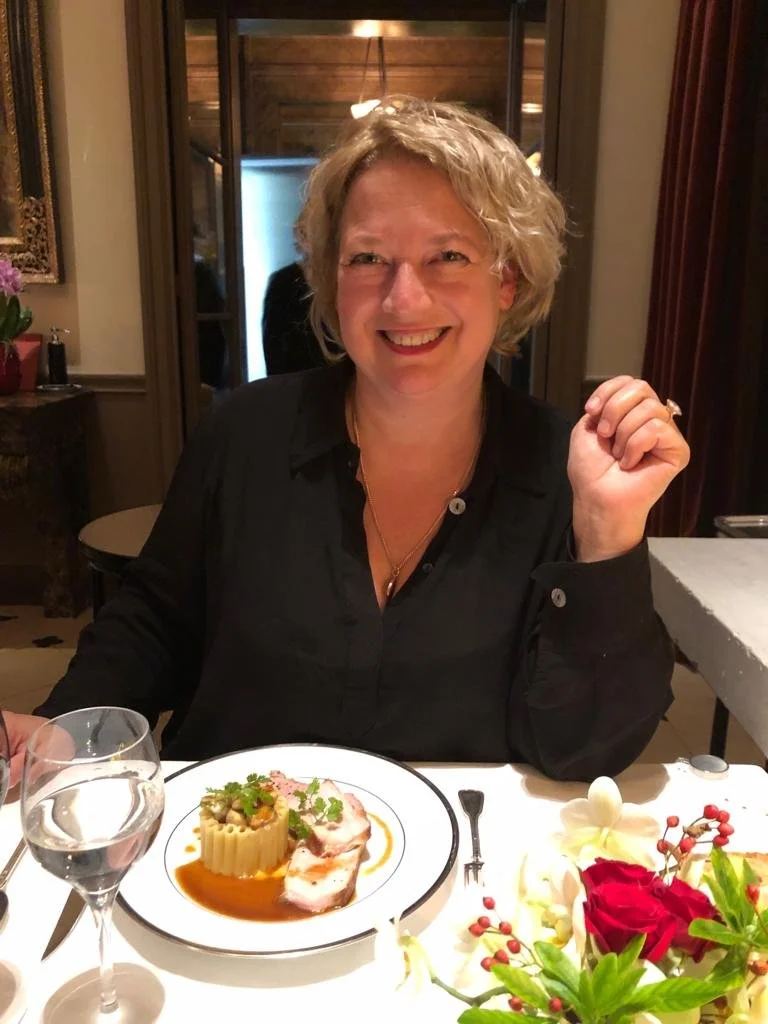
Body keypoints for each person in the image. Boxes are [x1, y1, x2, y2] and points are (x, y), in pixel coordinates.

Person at [5, 96, 689, 785]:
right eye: (369, 258)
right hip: (220, 860)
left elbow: (587, 749)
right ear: (334, 277)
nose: (404, 300)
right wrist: (65, 728)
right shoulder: (244, 432)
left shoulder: (561, 465)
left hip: (459, 868)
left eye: (448, 255)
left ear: (506, 279)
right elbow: (154, 620)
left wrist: (608, 530)